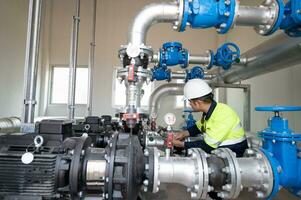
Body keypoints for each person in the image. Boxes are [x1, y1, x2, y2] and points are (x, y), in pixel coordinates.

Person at [173, 78, 248, 157]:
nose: (190, 104)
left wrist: (181, 144)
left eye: (190, 101)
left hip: (234, 153)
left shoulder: (222, 115)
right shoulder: (211, 111)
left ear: (198, 102)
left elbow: (208, 146)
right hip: (222, 150)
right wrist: (183, 134)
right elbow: (199, 126)